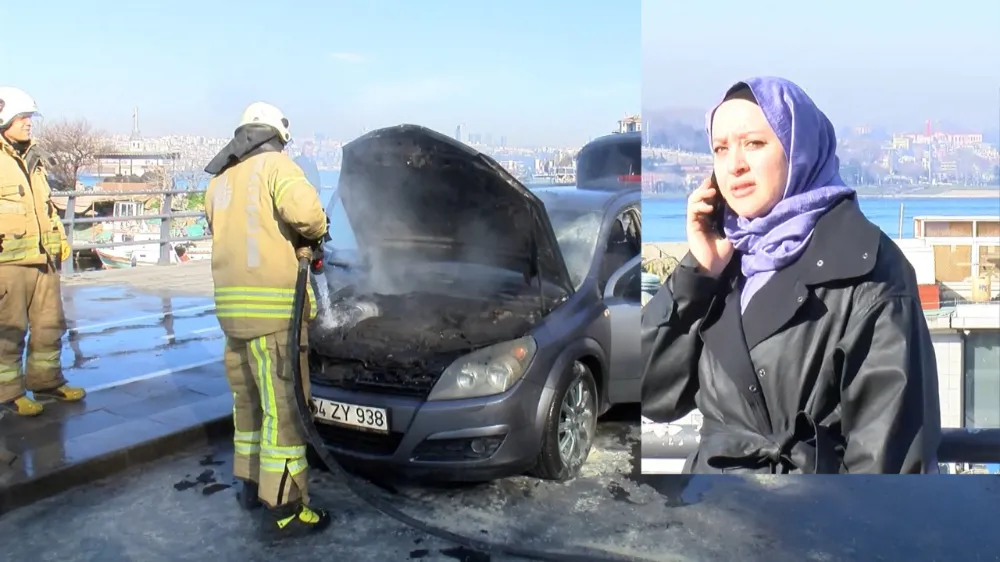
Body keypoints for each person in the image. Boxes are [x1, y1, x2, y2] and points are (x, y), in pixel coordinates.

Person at [641, 77, 941, 474]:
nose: (735, 165)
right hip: (710, 517)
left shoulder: (868, 268)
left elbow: (888, 459)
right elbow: (649, 392)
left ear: (799, 149)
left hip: (810, 521)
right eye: (720, 148)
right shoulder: (725, 260)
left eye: (754, 143)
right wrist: (697, 273)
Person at [204, 102, 331, 538]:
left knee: (248, 407)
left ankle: (250, 484)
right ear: (276, 136)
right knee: (285, 414)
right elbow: (308, 215)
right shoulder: (278, 167)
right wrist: (315, 235)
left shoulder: (219, 182)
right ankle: (287, 509)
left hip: (231, 317)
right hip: (275, 316)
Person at [0, 86, 82, 417]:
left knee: (49, 326)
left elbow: (44, 208)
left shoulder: (34, 159)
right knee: (9, 329)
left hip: (43, 259)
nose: (28, 124)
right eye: (22, 118)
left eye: (30, 118)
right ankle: (8, 392)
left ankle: (47, 381)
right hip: (9, 262)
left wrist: (57, 237)